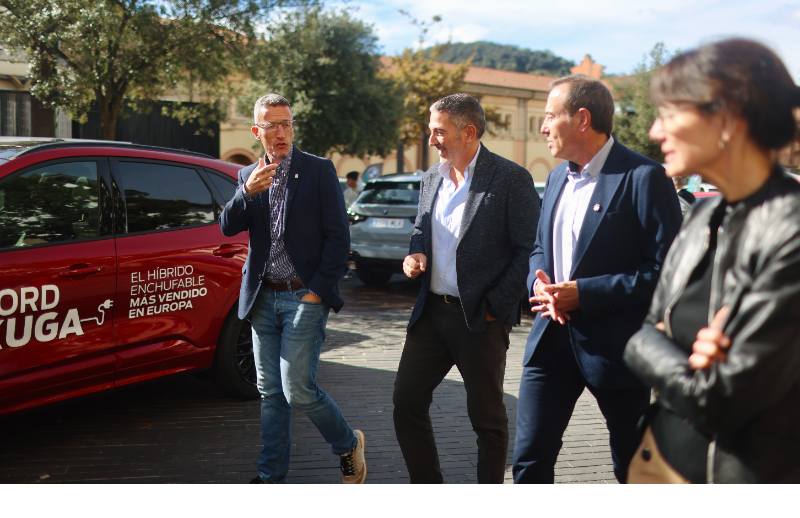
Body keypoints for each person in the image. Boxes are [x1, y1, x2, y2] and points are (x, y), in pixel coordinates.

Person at [624, 39, 800, 484]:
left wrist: (653, 349)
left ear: (727, 118)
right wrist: (666, 350)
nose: (655, 133)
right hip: (657, 462)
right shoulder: (702, 215)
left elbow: (720, 400)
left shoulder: (791, 227)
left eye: (668, 114)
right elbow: (646, 330)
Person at [512, 74, 682, 484]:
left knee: (634, 466)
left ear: (582, 119)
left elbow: (669, 272)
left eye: (551, 116)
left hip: (617, 351)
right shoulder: (555, 178)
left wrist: (583, 294)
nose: (543, 127)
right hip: (549, 343)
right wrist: (539, 281)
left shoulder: (644, 177)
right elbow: (540, 246)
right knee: (529, 461)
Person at [220, 94, 366, 484]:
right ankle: (271, 477)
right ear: (257, 131)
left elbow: (338, 238)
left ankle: (348, 443)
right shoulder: (247, 176)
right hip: (262, 297)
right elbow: (227, 226)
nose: (281, 133)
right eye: (272, 126)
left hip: (304, 295)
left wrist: (317, 291)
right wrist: (246, 192)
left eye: (286, 124)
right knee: (270, 393)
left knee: (297, 389)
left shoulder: (318, 171)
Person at [393, 93, 539, 484]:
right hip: (431, 314)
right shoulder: (431, 178)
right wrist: (416, 254)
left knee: (487, 419)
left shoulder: (510, 178)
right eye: (430, 130)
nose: (431, 139)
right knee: (406, 402)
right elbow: (421, 228)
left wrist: (495, 305)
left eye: (438, 131)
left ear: (468, 132)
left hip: (480, 318)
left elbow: (529, 248)